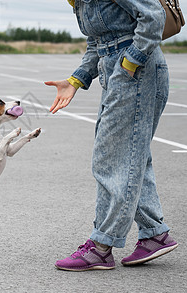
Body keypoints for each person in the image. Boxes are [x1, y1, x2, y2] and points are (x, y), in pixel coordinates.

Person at [45, 0, 178, 271]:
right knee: (131, 157)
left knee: (109, 160)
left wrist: (130, 62)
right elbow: (98, 43)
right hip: (119, 75)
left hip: (136, 74)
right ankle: (154, 234)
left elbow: (153, 16)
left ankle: (101, 247)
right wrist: (75, 80)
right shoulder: (81, 3)